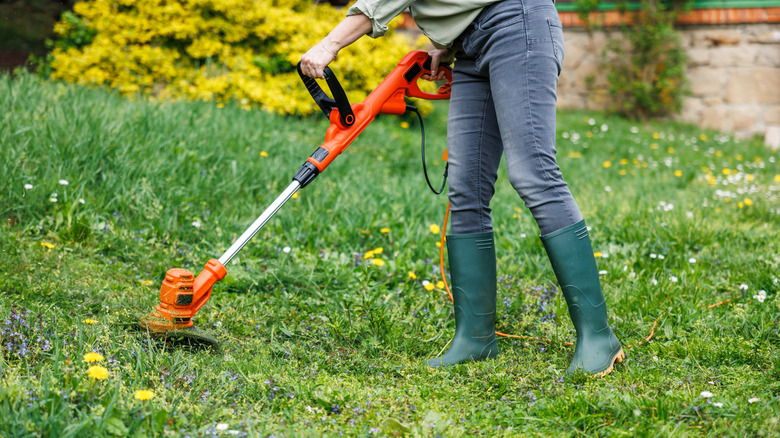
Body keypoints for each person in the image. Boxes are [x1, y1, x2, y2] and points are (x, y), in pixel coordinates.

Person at [300, 0, 624, 376]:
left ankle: (598, 336)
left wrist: (329, 44)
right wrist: (449, 42)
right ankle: (475, 338)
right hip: (469, 47)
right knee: (465, 186)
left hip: (516, 25)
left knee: (533, 172)